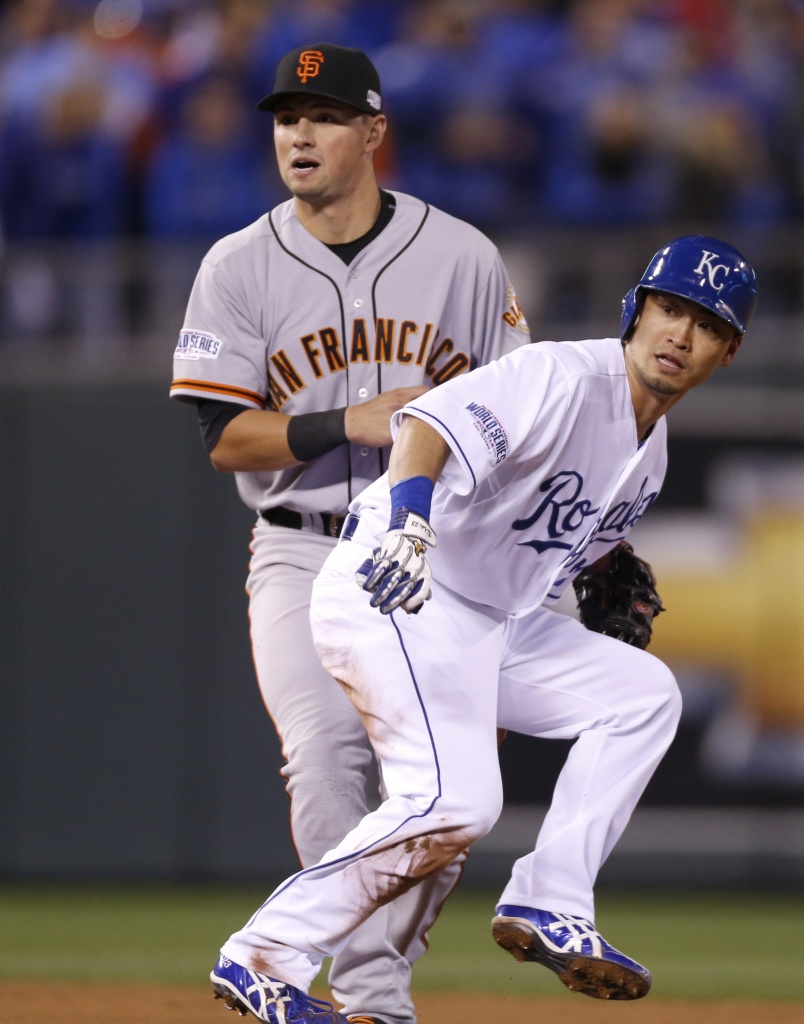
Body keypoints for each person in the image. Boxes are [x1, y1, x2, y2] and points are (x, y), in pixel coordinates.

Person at [208, 234, 758, 1022]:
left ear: (727, 352)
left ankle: (550, 900)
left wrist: (603, 570)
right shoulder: (561, 375)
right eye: (669, 308)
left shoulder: (652, 455)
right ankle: (262, 955)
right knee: (458, 801)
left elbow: (571, 548)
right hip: (399, 583)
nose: (679, 334)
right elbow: (426, 425)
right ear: (637, 310)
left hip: (489, 622)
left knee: (641, 695)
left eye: (705, 324)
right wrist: (409, 520)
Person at [169, 42, 529, 1024]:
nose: (299, 133)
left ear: (373, 131)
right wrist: (350, 421)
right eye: (286, 116)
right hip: (301, 541)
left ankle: (371, 990)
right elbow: (223, 437)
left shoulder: (462, 256)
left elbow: (520, 422)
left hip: (435, 555)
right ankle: (374, 998)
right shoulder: (238, 264)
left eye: (323, 116)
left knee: (443, 790)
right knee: (323, 757)